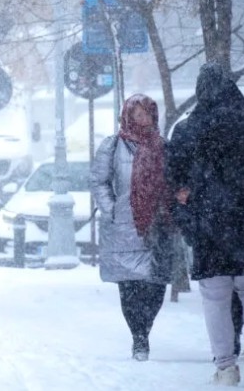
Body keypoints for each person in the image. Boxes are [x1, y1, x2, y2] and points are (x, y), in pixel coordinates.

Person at [167, 63, 244, 386]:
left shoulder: (186, 131)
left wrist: (188, 202)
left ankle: (225, 367)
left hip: (208, 225)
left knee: (215, 296)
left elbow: (172, 180)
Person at [90, 94, 176, 362]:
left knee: (156, 285)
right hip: (124, 228)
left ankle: (145, 328)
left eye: (147, 114)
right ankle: (139, 337)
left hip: (158, 226)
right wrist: (111, 208)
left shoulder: (164, 147)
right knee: (129, 287)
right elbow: (99, 181)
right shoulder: (113, 146)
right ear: (127, 116)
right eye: (137, 114)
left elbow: (174, 181)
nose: (143, 119)